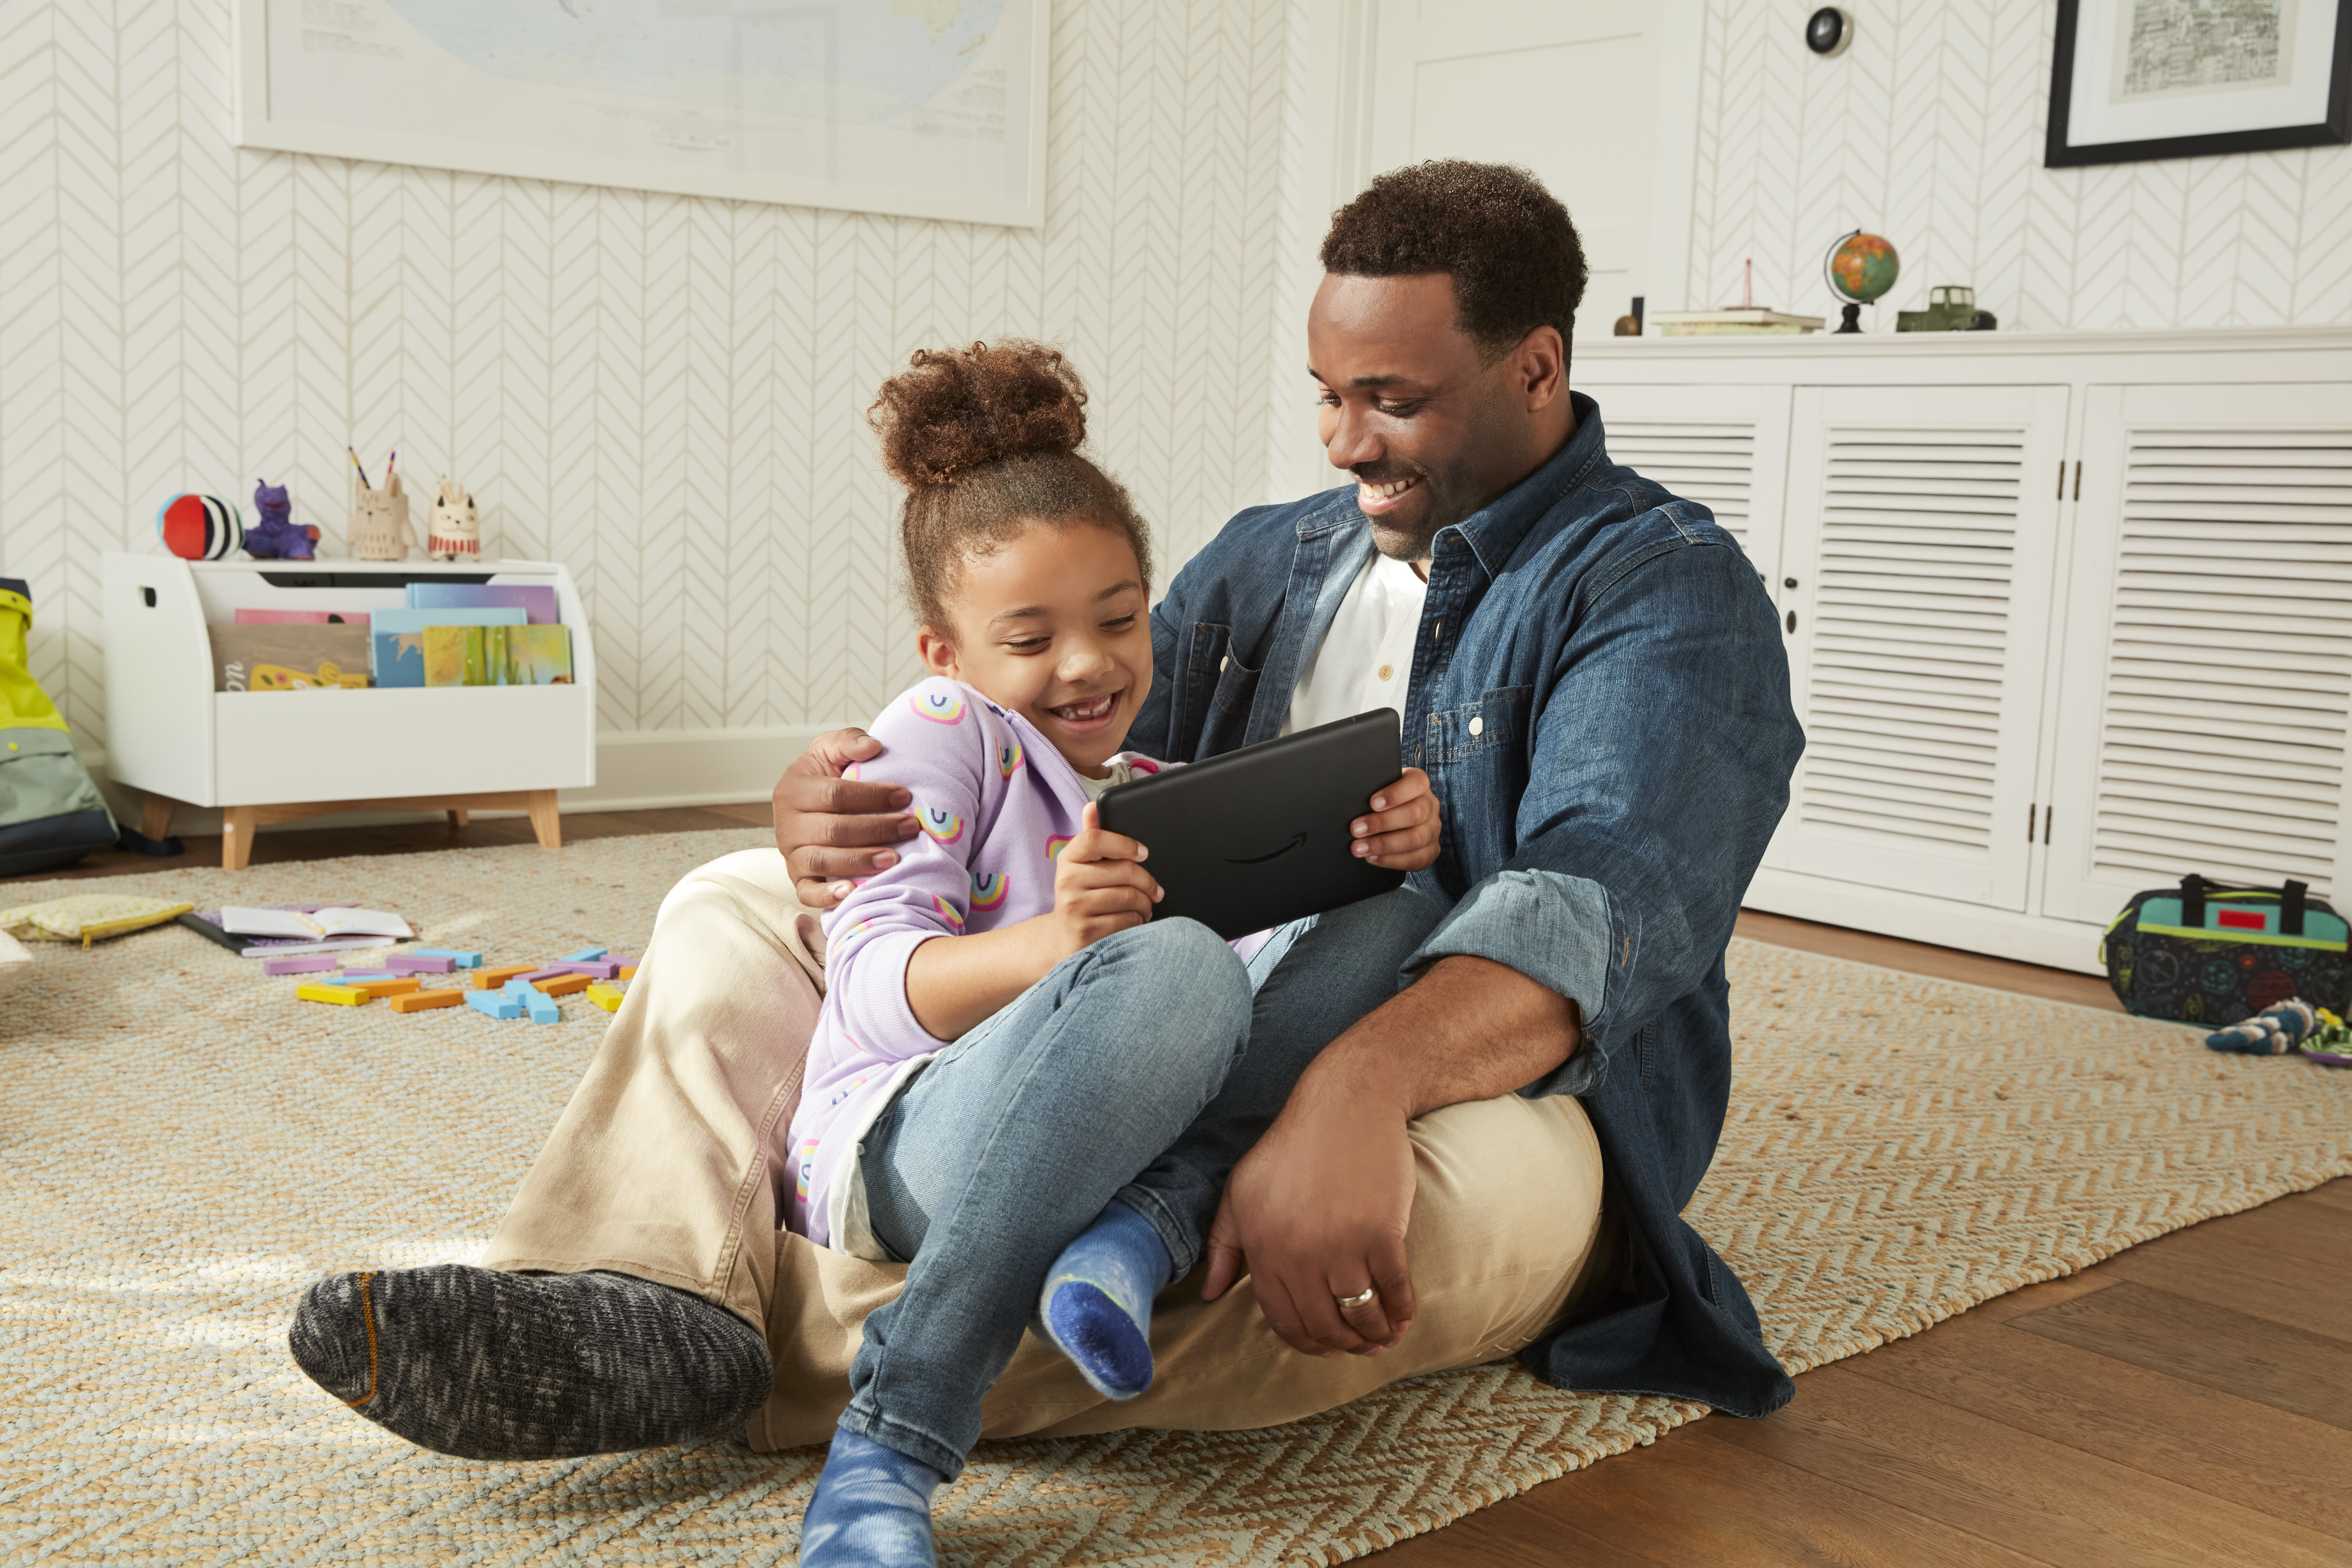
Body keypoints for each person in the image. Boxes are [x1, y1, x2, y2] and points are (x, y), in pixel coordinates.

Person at [286, 159, 1799, 1497]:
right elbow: (1060, 752)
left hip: (1488, 1082)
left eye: (1390, 400)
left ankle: (749, 1346)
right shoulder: (1275, 554)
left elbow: (1594, 918)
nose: (1344, 441)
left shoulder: (1663, 587)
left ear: (1537, 367)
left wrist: (1356, 1086)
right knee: (732, 899)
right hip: (1180, 1002)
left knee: (1393, 1245)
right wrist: (838, 813)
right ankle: (645, 1275)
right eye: (1327, 394)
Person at [779, 340, 1445, 1563]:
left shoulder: (1145, 788)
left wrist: (1382, 845)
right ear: (948, 654)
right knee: (1177, 963)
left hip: (1110, 1125)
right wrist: (1059, 943)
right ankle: (891, 1437)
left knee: (1393, 918)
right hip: (905, 1146)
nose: (1087, 663)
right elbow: (869, 991)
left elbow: (1251, 1005)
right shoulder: (940, 730)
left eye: (1119, 619)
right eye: (1029, 638)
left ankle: (1139, 1227)